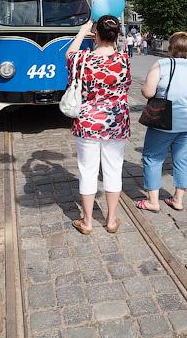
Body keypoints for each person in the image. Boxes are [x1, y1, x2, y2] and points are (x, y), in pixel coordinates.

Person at [66, 16, 131, 235]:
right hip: (116, 122)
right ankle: (111, 220)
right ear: (116, 35)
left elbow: (69, 55)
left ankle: (87, 222)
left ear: (96, 34)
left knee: (88, 171)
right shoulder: (123, 59)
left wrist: (82, 31)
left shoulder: (83, 59)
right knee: (114, 170)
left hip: (88, 122)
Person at [136, 32, 187, 213]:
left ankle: (153, 201)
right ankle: (178, 199)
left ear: (171, 48)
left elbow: (148, 92)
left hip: (164, 120)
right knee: (183, 159)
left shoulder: (162, 64)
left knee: (152, 157)